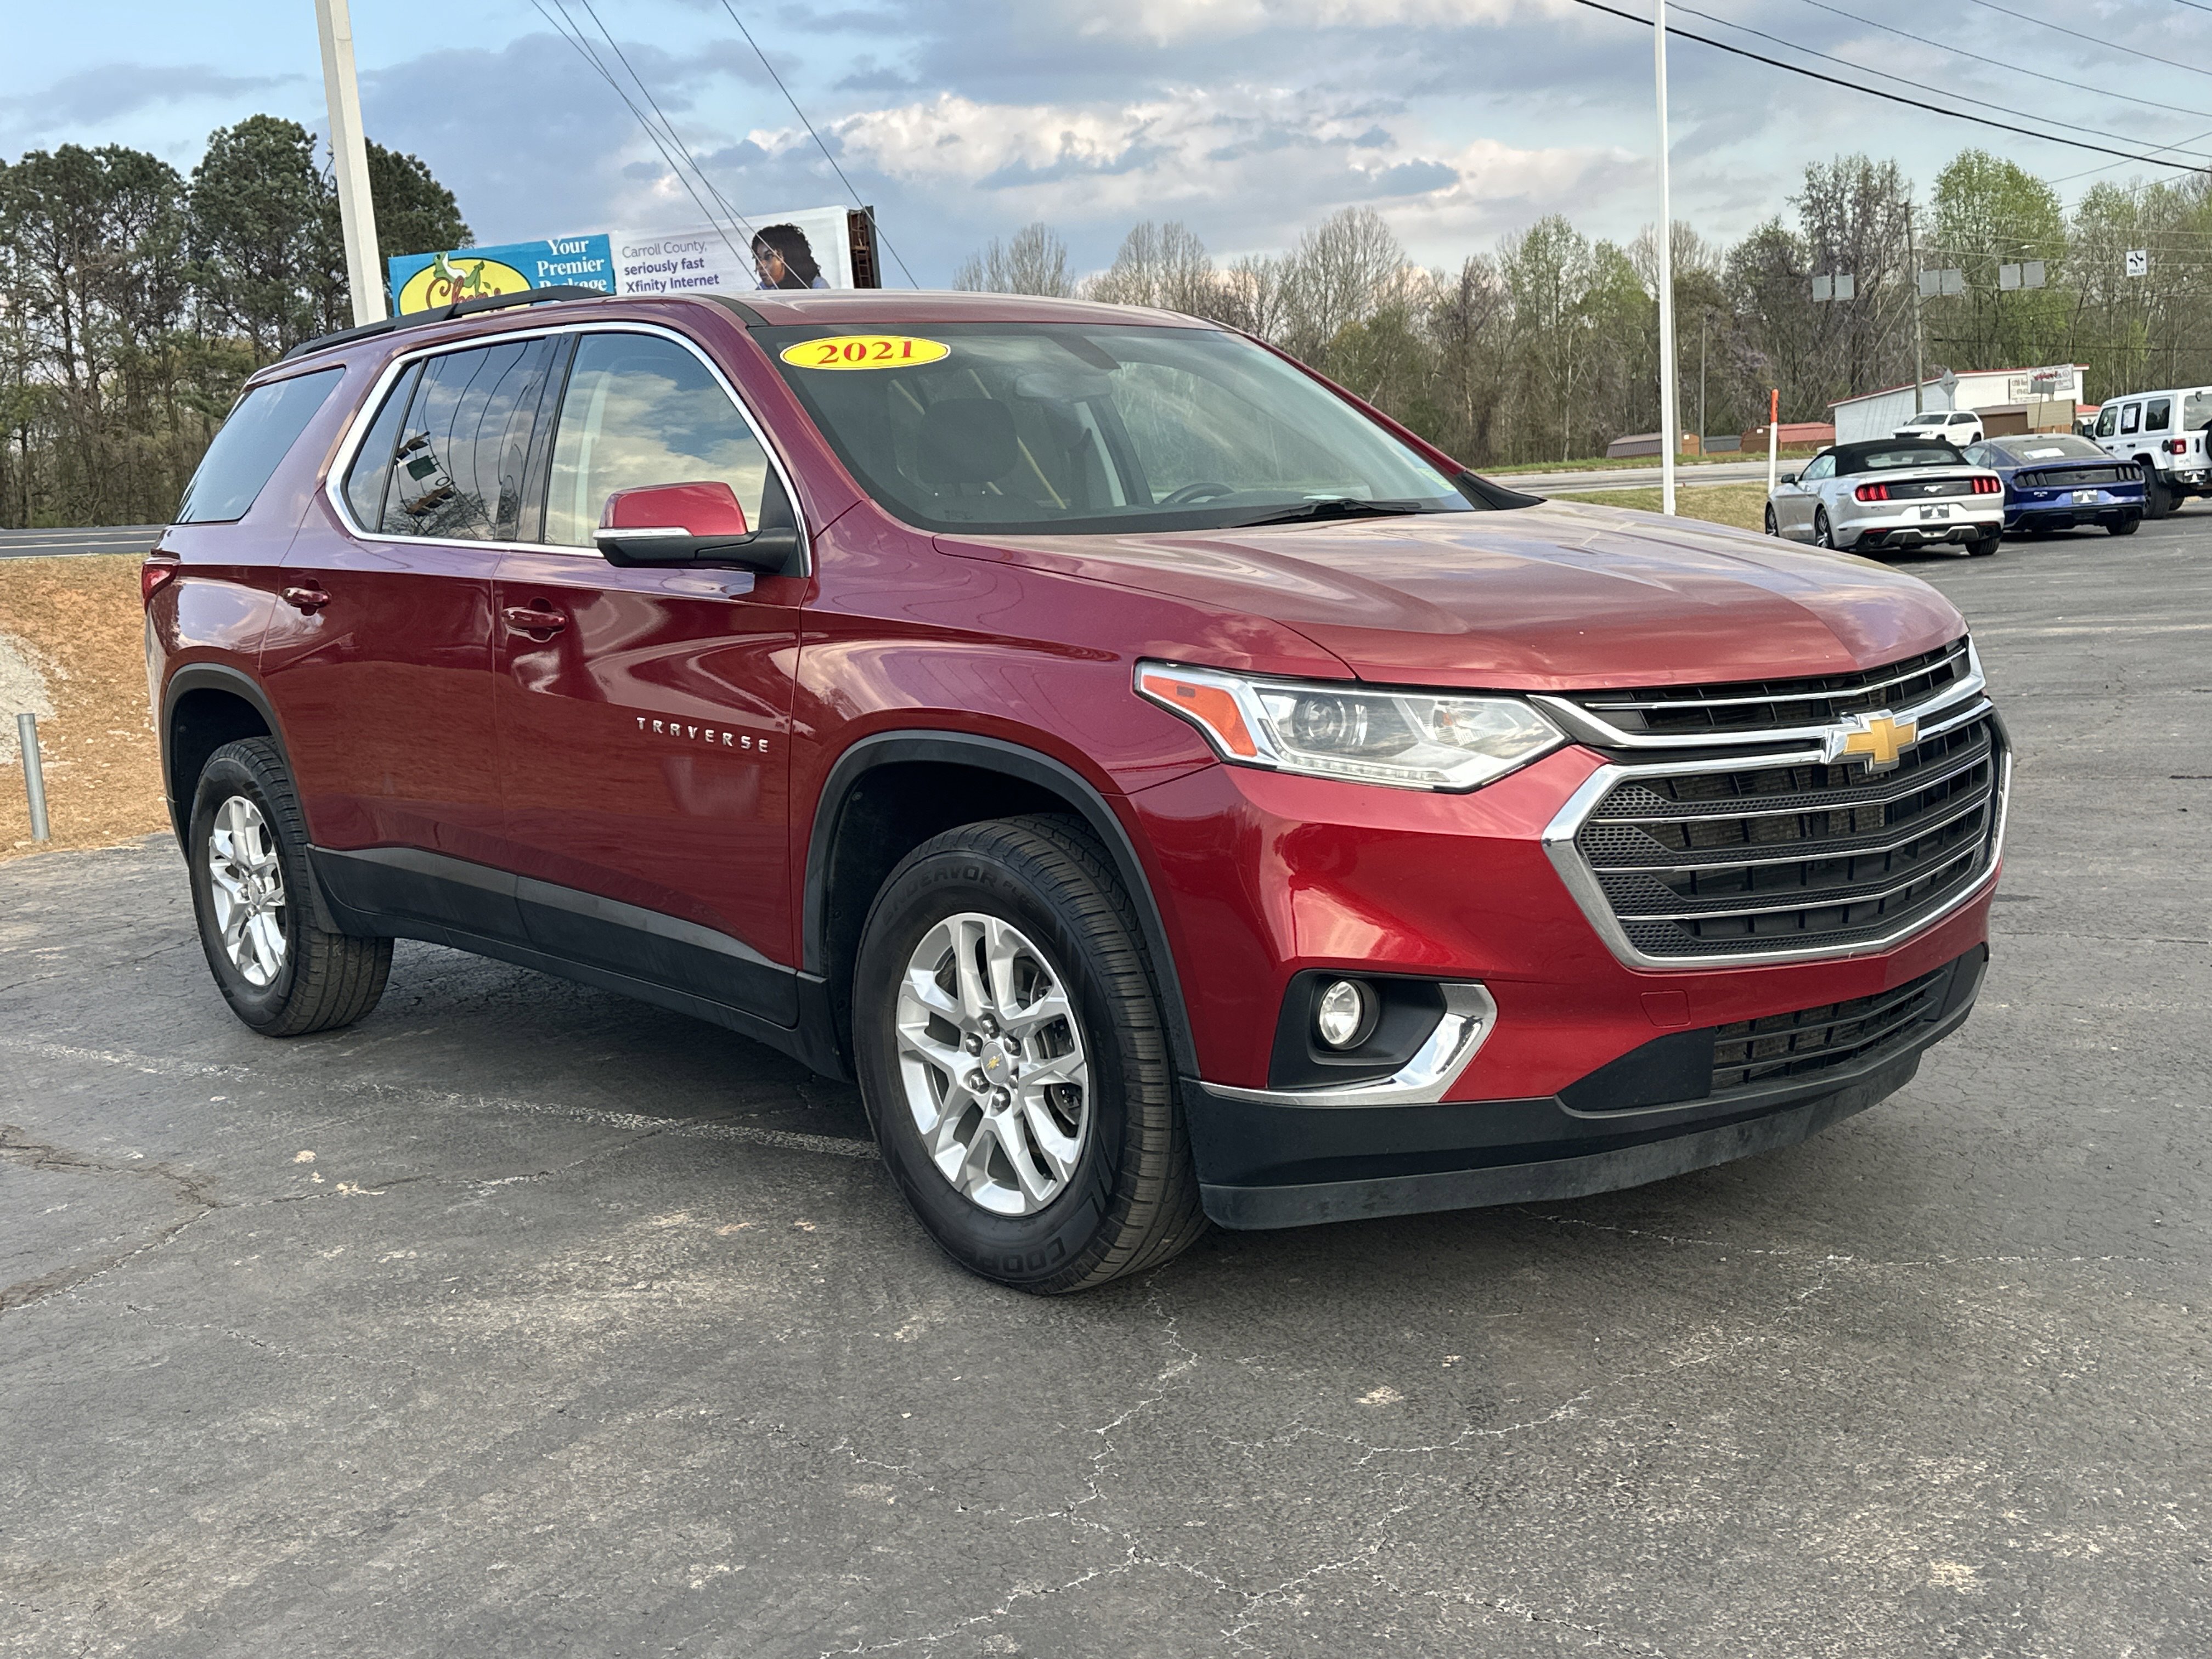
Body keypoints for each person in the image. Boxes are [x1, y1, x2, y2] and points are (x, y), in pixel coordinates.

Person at [752, 224, 827, 290]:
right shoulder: (762, 291)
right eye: (758, 258)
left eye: (768, 257)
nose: (760, 265)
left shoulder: (818, 287)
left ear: (785, 256)